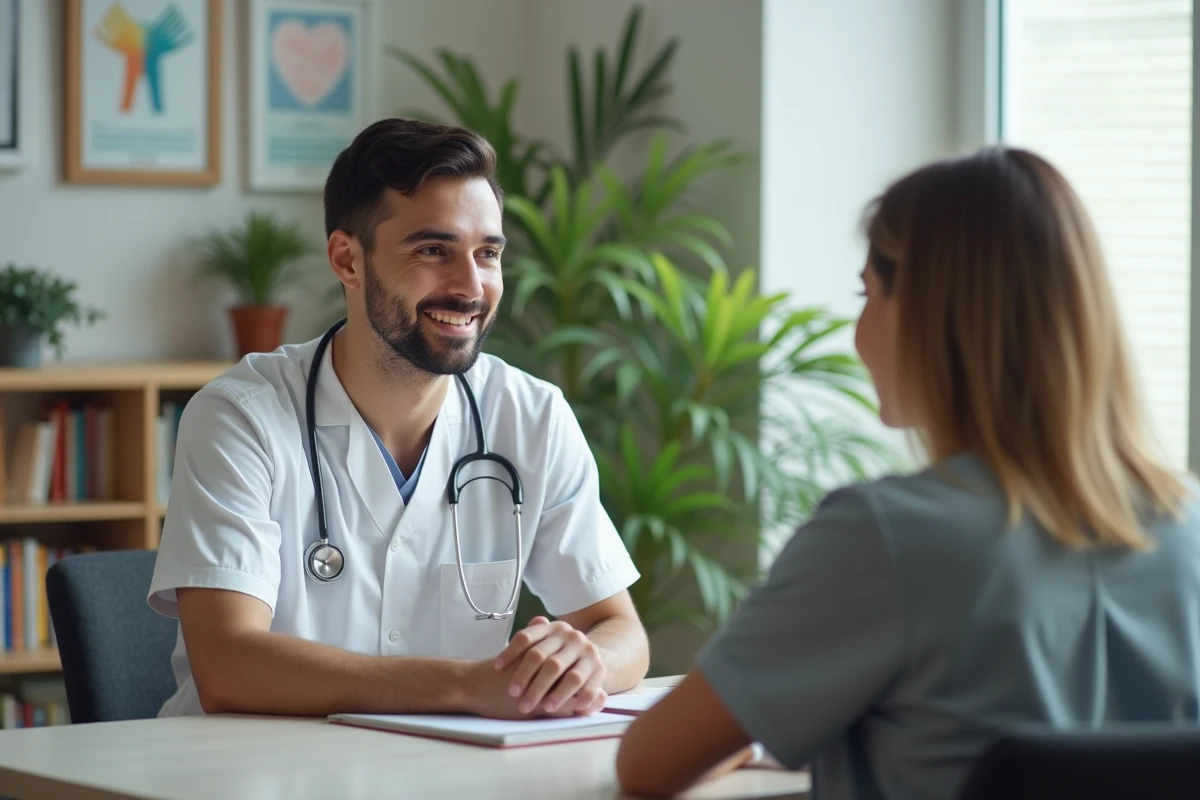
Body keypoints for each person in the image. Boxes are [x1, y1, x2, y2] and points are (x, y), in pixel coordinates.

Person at [616, 146, 1200, 798]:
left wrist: (767, 714)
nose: (858, 332)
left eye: (868, 294)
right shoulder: (1188, 528)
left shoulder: (884, 536)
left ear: (929, 312)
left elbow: (649, 764)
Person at [147, 118, 649, 720]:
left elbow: (619, 630)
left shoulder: (532, 416)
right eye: (434, 250)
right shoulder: (241, 418)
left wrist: (581, 662)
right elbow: (228, 667)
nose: (471, 286)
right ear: (347, 260)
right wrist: (466, 687)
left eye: (487, 253)